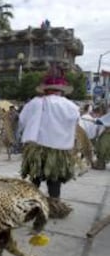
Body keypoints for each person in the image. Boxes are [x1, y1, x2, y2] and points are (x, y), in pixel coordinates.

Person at [19, 65, 79, 217]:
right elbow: (74, 122)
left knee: (35, 177)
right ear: (61, 90)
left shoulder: (35, 103)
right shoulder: (71, 106)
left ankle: (30, 205)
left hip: (37, 147)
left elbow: (22, 120)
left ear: (45, 89)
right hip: (59, 149)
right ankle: (54, 206)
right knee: (54, 179)